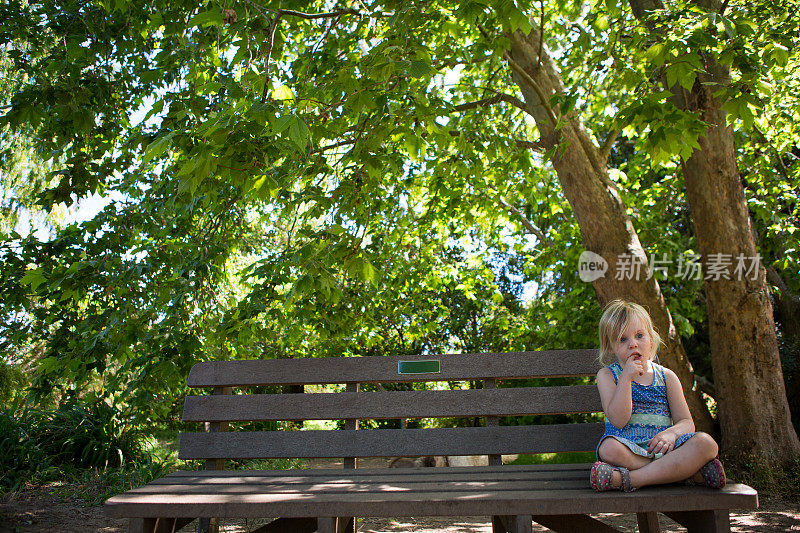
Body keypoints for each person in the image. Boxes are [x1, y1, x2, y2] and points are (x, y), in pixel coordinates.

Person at [589, 299, 726, 492]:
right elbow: (618, 420)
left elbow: (686, 422)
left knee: (707, 444)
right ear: (610, 346)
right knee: (608, 449)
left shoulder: (667, 377)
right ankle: (681, 474)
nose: (633, 344)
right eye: (622, 339)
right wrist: (626, 380)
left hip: (667, 449)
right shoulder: (607, 376)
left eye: (639, 335)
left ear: (651, 339)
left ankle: (630, 479)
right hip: (629, 449)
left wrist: (671, 434)